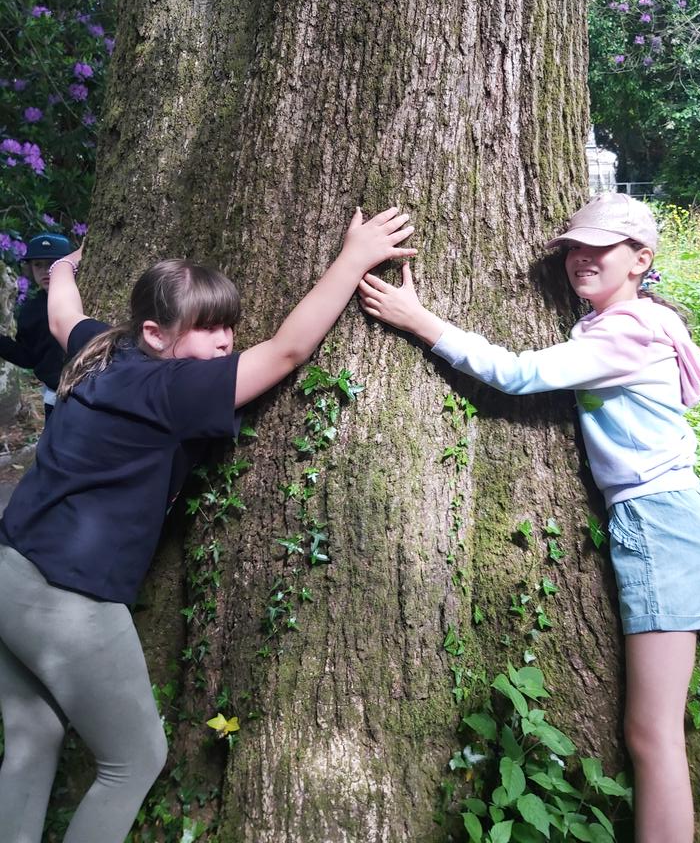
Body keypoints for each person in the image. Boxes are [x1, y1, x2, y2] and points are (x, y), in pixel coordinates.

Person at [357, 192, 700, 843]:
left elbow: (517, 374)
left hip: (661, 526)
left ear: (641, 259)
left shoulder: (626, 332)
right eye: (576, 246)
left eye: (601, 247)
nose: (582, 257)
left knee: (651, 734)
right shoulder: (645, 321)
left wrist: (419, 320)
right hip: (693, 516)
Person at [0, 205, 415, 843]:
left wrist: (61, 267)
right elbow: (288, 350)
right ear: (156, 333)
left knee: (35, 734)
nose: (225, 342)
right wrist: (352, 259)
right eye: (208, 329)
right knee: (133, 759)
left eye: (229, 326)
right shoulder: (175, 390)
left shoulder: (103, 352)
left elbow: (62, 313)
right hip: (68, 596)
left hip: (9, 570)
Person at [0, 233, 73, 420]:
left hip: (93, 396)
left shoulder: (85, 296)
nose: (45, 270)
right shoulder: (31, 310)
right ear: (30, 268)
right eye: (38, 264)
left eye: (52, 263)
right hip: (54, 398)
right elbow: (28, 356)